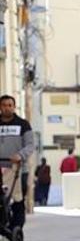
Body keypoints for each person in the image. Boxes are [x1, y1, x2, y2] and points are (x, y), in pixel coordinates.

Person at [0, 95, 34, 233]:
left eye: (10, 105)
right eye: (4, 105)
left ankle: (16, 229)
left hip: (18, 169)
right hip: (1, 169)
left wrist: (20, 155)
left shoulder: (23, 124)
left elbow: (30, 145)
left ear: (14, 107)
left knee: (18, 201)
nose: (7, 108)